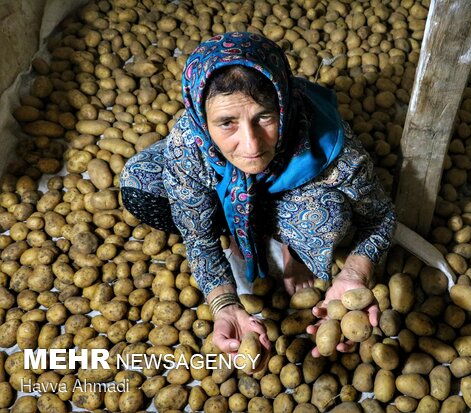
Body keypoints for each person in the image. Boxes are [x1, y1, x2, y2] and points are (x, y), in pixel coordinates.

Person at [120, 32, 396, 357]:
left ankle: (286, 242)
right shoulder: (189, 144)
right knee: (139, 184)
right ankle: (241, 220)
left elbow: (381, 216)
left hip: (301, 181)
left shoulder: (337, 151)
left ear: (283, 104)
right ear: (200, 119)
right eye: (226, 123)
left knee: (326, 217)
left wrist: (354, 273)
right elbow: (198, 239)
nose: (251, 145)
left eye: (264, 117)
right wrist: (223, 305)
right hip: (210, 167)